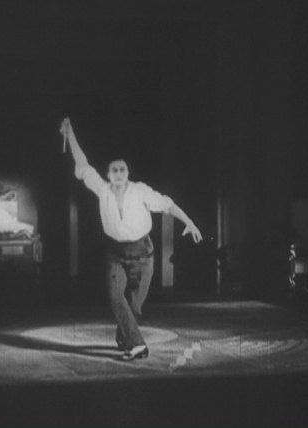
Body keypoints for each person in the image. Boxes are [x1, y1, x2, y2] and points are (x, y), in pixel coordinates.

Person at [60, 117, 202, 361]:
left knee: (134, 306)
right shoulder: (102, 189)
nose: (118, 174)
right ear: (108, 174)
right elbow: (82, 165)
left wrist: (188, 221)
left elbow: (167, 205)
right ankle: (138, 345)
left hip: (143, 253)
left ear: (128, 173)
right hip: (115, 253)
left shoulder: (140, 190)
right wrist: (70, 133)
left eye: (122, 170)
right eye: (114, 170)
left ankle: (124, 337)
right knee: (116, 297)